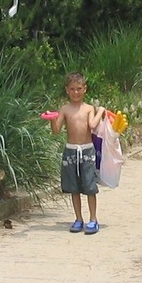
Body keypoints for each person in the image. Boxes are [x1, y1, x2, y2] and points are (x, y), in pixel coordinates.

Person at [47, 72, 106, 235]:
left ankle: (93, 219)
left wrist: (100, 111)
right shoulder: (65, 109)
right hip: (71, 151)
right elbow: (56, 131)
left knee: (89, 186)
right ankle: (78, 219)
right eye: (72, 89)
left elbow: (93, 126)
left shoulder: (88, 109)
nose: (76, 92)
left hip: (87, 150)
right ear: (67, 90)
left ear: (84, 89)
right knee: (74, 187)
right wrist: (52, 118)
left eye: (79, 89)